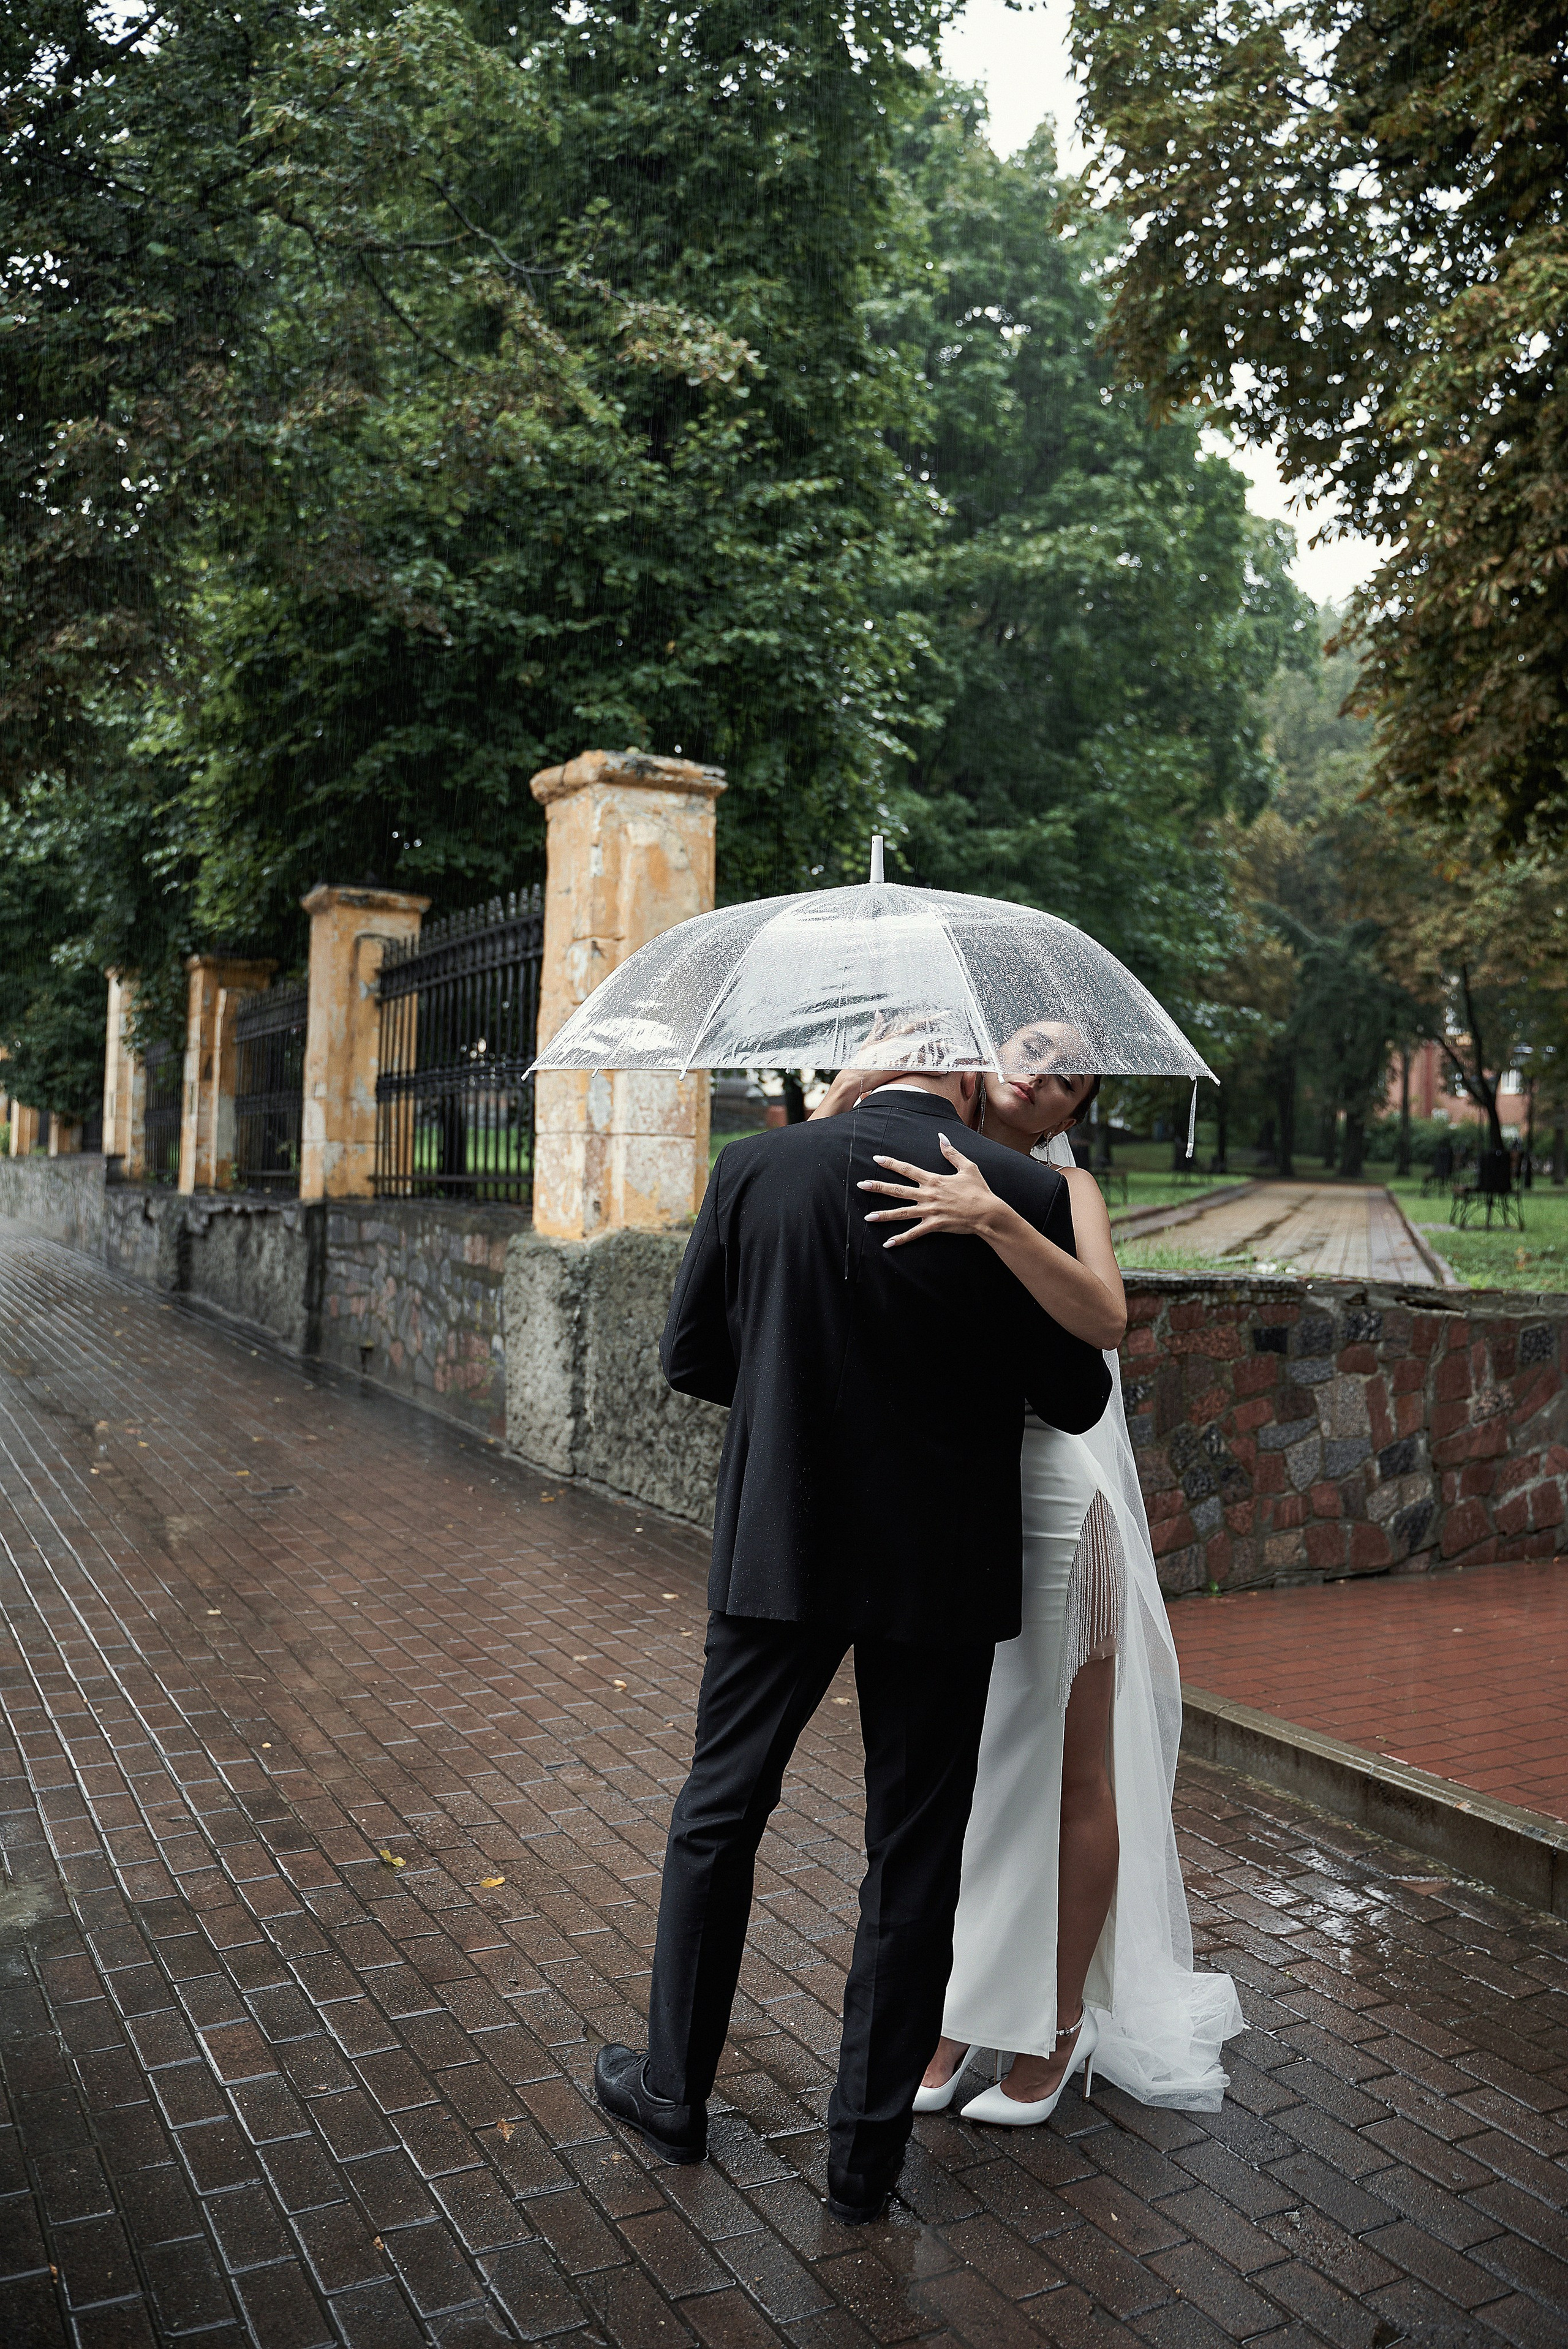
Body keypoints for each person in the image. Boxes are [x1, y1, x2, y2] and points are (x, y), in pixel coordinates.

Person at [592, 1063, 1113, 2224]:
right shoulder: (1021, 1190)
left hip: (784, 1540)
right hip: (943, 1561)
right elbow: (1077, 1397)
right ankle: (865, 2161)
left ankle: (673, 2093)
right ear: (962, 1074)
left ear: (865, 1060)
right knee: (915, 1845)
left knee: (721, 1809)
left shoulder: (759, 1165)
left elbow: (691, 1359)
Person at [834, 1041, 1244, 2125]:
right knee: (964, 1775)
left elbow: (1107, 1322)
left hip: (1060, 1492)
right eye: (1032, 1052)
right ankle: (959, 2014)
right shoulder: (924, 1153)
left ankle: (1059, 2028)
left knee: (1069, 1771)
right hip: (955, 1498)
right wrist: (842, 1098)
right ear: (986, 1059)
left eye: (1072, 1074)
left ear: (1077, 1106)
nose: (1045, 1075)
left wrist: (996, 1221)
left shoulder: (1066, 1190)